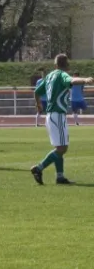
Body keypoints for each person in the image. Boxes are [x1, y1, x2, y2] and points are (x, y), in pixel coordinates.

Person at [30, 55, 93, 185]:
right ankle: (39, 168)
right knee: (62, 148)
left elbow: (37, 91)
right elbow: (71, 80)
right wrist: (85, 79)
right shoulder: (61, 74)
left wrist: (38, 104)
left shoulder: (50, 75)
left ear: (55, 64)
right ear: (66, 64)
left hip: (51, 115)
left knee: (59, 147)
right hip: (57, 114)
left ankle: (60, 176)